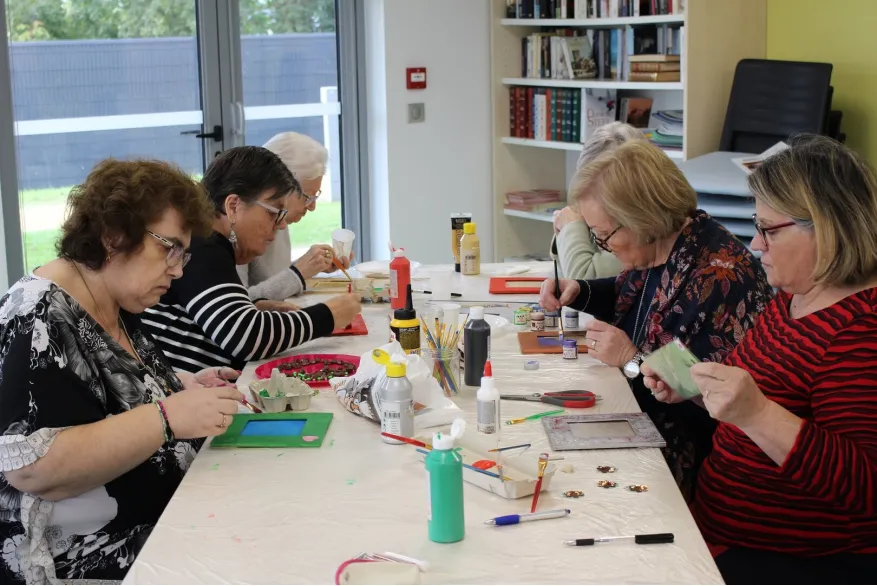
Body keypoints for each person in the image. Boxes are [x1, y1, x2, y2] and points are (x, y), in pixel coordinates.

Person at [645, 136, 877, 584]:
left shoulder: (859, 331)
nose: (754, 243)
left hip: (787, 560)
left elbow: (865, 487)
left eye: (768, 229)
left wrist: (759, 414)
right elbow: (757, 397)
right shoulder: (793, 296)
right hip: (719, 529)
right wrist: (694, 389)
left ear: (826, 227)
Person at [0, 159, 244, 583]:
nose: (179, 269)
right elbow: (33, 468)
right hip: (88, 564)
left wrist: (180, 385)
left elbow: (108, 394)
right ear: (113, 236)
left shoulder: (116, 298)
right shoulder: (37, 318)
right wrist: (169, 416)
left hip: (164, 530)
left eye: (183, 254)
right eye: (169, 248)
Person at [539, 140, 773, 500]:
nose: (606, 247)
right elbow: (628, 296)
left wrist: (631, 360)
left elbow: (704, 395)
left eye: (605, 236)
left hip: (691, 452)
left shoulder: (718, 278)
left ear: (641, 216)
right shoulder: (664, 246)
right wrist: (578, 290)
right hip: (642, 421)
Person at [144, 146, 361, 373]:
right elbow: (243, 337)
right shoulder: (202, 247)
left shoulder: (210, 244)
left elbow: (218, 321)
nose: (282, 224)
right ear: (233, 206)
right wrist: (328, 316)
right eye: (273, 212)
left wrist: (253, 305)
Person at [237, 132, 350, 304]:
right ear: (279, 185)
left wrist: (312, 266)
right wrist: (298, 272)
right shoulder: (239, 224)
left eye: (315, 197)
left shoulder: (279, 218)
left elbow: (271, 275)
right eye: (308, 197)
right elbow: (238, 305)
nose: (312, 207)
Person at [549, 122, 630, 280]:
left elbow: (583, 281)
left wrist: (572, 227)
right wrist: (571, 225)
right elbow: (562, 265)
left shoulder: (636, 231)